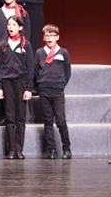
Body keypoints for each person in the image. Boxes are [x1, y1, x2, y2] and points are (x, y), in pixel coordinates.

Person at [0, 15, 34, 160]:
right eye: (9, 25)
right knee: (10, 117)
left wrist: (29, 88)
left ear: (20, 27)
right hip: (7, 83)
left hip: (21, 83)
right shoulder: (3, 45)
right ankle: (11, 149)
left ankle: (19, 149)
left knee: (20, 118)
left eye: (13, 25)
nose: (10, 27)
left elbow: (30, 68)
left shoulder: (26, 45)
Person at [35, 24, 72, 159]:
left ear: (57, 37)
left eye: (52, 35)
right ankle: (51, 150)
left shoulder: (63, 53)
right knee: (48, 121)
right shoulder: (39, 52)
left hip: (57, 90)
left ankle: (66, 149)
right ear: (44, 38)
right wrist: (40, 84)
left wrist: (61, 84)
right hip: (44, 90)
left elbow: (67, 72)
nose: (49, 38)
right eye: (47, 35)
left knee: (61, 121)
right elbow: (35, 70)